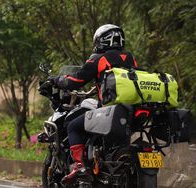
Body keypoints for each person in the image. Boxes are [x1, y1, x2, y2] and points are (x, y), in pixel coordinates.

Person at [46, 24, 138, 184]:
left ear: (102, 41)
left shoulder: (99, 59)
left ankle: (80, 166)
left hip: (109, 110)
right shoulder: (130, 58)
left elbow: (77, 80)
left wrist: (58, 80)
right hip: (130, 110)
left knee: (73, 126)